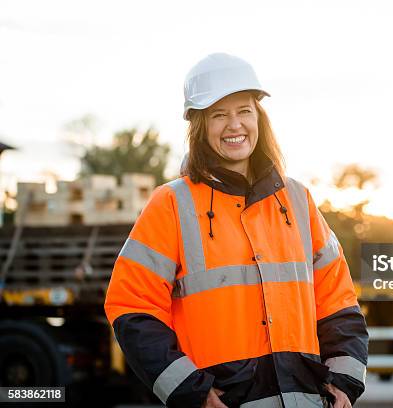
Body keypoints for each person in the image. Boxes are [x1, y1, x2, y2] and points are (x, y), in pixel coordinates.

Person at [104, 53, 368, 408]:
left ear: (259, 116)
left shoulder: (297, 200)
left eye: (244, 110)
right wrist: (191, 391)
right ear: (199, 125)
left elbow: (337, 299)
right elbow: (132, 306)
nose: (234, 125)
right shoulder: (171, 204)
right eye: (218, 114)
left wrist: (344, 381)